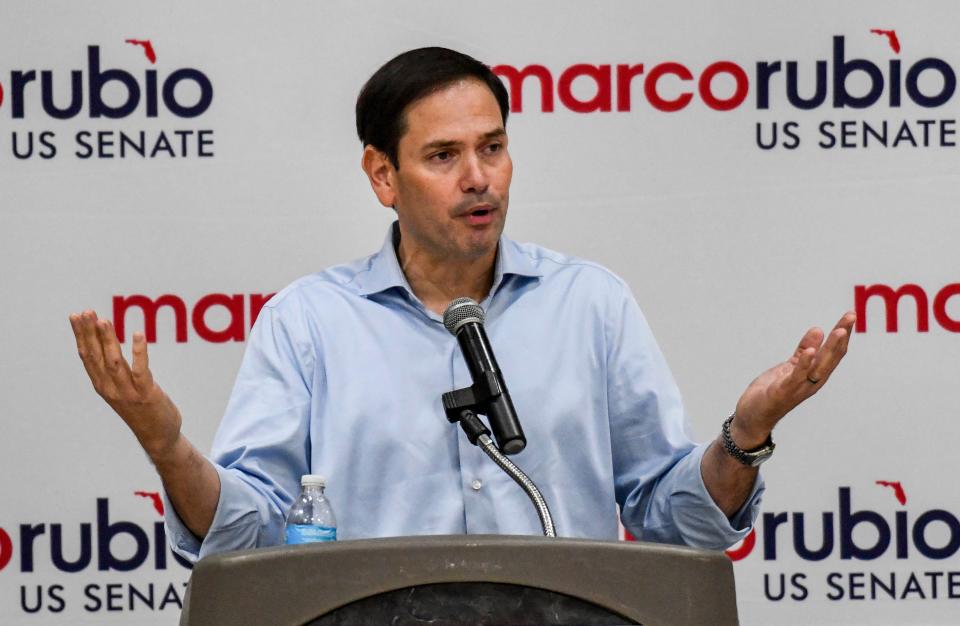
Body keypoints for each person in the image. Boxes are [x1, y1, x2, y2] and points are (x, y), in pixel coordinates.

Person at [68, 47, 855, 562]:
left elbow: (673, 524)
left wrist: (747, 433)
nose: (479, 177)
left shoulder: (589, 305)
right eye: (443, 156)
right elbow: (250, 542)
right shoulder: (308, 324)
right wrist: (168, 446)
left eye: (493, 146)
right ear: (382, 175)